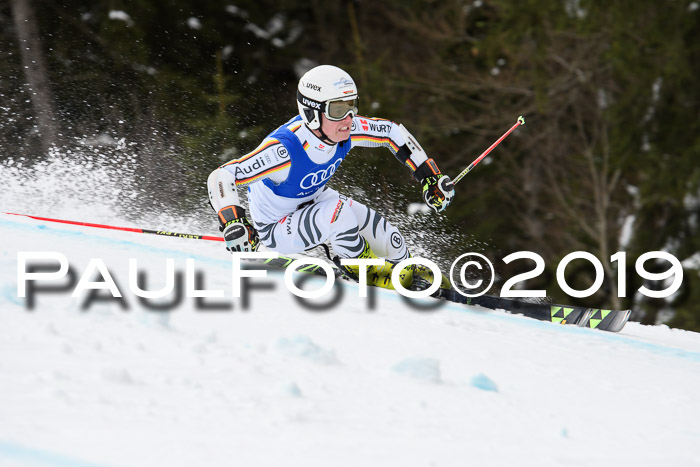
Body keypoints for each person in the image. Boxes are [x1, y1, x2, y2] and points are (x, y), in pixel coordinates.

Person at [207, 64, 455, 289]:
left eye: (351, 106)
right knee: (339, 213)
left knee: (391, 238)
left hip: (316, 204)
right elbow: (222, 176)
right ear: (312, 113)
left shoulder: (344, 129)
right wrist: (233, 221)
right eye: (338, 109)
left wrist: (430, 176)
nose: (348, 119)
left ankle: (410, 270)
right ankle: (365, 270)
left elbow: (391, 132)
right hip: (276, 230)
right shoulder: (284, 150)